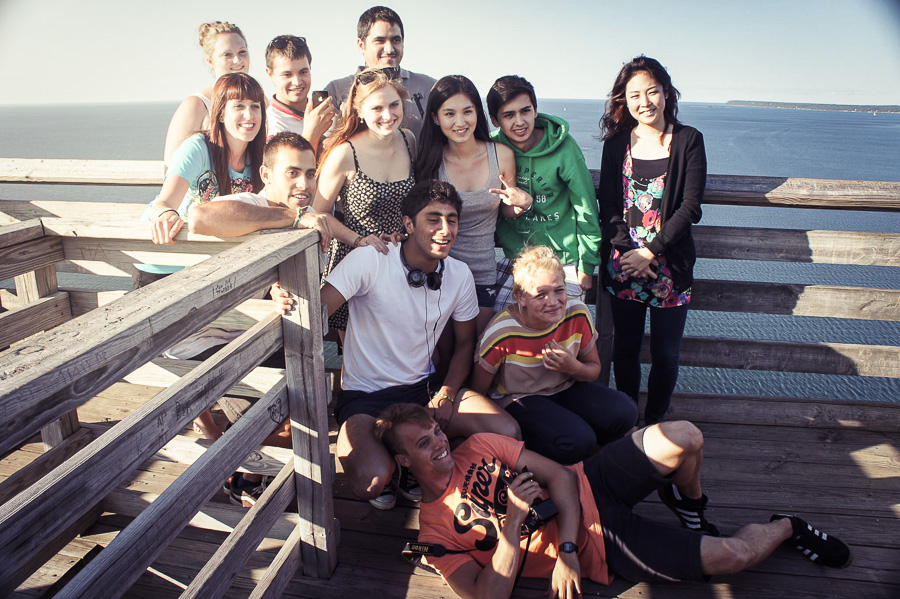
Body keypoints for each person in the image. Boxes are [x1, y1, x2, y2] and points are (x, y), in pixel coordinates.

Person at [376, 403, 853, 599]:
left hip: (591, 483)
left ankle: (691, 509)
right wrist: (512, 527)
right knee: (735, 554)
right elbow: (487, 595)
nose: (439, 442)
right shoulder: (434, 535)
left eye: (437, 430)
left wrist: (562, 550)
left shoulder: (478, 444)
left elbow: (561, 475)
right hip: (602, 542)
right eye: (423, 443)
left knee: (684, 435)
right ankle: (789, 525)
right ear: (402, 460)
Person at [274, 180, 520, 511]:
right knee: (371, 482)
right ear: (408, 224)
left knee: (508, 431)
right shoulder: (371, 260)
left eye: (452, 220)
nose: (444, 230)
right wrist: (280, 291)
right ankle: (397, 462)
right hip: (366, 399)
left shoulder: (459, 274)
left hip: (425, 392)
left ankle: (414, 462)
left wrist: (446, 393)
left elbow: (465, 345)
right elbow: (315, 312)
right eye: (433, 219)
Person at [597, 56, 706, 426]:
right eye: (634, 95)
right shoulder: (616, 146)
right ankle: (627, 420)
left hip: (669, 270)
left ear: (666, 92)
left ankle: (656, 422)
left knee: (666, 355)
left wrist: (650, 252)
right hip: (625, 265)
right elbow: (609, 204)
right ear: (622, 102)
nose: (645, 102)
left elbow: (690, 206)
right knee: (624, 351)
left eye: (652, 91)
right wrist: (630, 253)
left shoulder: (689, 140)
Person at [471, 246, 637, 464]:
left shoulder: (577, 313)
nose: (553, 301)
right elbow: (477, 393)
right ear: (520, 297)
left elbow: (592, 370)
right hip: (519, 399)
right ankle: (572, 453)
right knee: (578, 440)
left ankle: (587, 450)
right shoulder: (502, 332)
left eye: (559, 290)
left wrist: (572, 367)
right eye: (540, 294)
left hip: (565, 388)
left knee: (626, 411)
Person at [415, 75, 532, 332]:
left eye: (468, 111)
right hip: (439, 273)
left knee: (477, 353)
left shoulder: (501, 155)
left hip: (483, 273)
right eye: (449, 114)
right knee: (440, 357)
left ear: (477, 112)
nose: (460, 122)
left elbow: (506, 211)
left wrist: (522, 203)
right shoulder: (431, 161)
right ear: (435, 117)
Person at [486, 75, 604, 312]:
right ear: (495, 120)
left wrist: (587, 266)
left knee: (562, 331)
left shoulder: (564, 148)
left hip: (562, 259)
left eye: (525, 111)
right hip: (518, 260)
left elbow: (586, 209)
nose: (519, 121)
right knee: (501, 329)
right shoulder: (492, 148)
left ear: (536, 110)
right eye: (508, 115)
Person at [313, 67, 416, 334]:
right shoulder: (344, 154)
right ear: (359, 111)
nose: (388, 115)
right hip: (354, 265)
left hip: (398, 264)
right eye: (377, 108)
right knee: (356, 358)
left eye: (394, 105)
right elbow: (317, 215)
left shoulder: (409, 141)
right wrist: (359, 240)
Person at [148, 73, 266, 247]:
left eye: (255, 106)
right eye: (239, 106)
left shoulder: (263, 155)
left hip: (216, 257)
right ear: (221, 114)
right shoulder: (197, 148)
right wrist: (166, 215)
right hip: (166, 253)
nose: (249, 115)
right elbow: (164, 203)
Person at [323, 6, 436, 138]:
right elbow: (324, 145)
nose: (389, 49)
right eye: (380, 41)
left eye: (396, 40)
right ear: (361, 45)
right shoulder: (336, 91)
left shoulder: (429, 87)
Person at [163, 22, 249, 168]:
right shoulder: (196, 105)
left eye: (242, 52)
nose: (237, 60)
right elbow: (172, 167)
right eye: (227, 54)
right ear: (210, 61)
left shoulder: (258, 102)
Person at [263, 35, 336, 149]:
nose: (297, 82)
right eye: (287, 75)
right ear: (270, 74)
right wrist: (311, 136)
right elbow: (288, 166)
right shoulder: (266, 125)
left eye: (303, 72)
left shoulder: (324, 113)